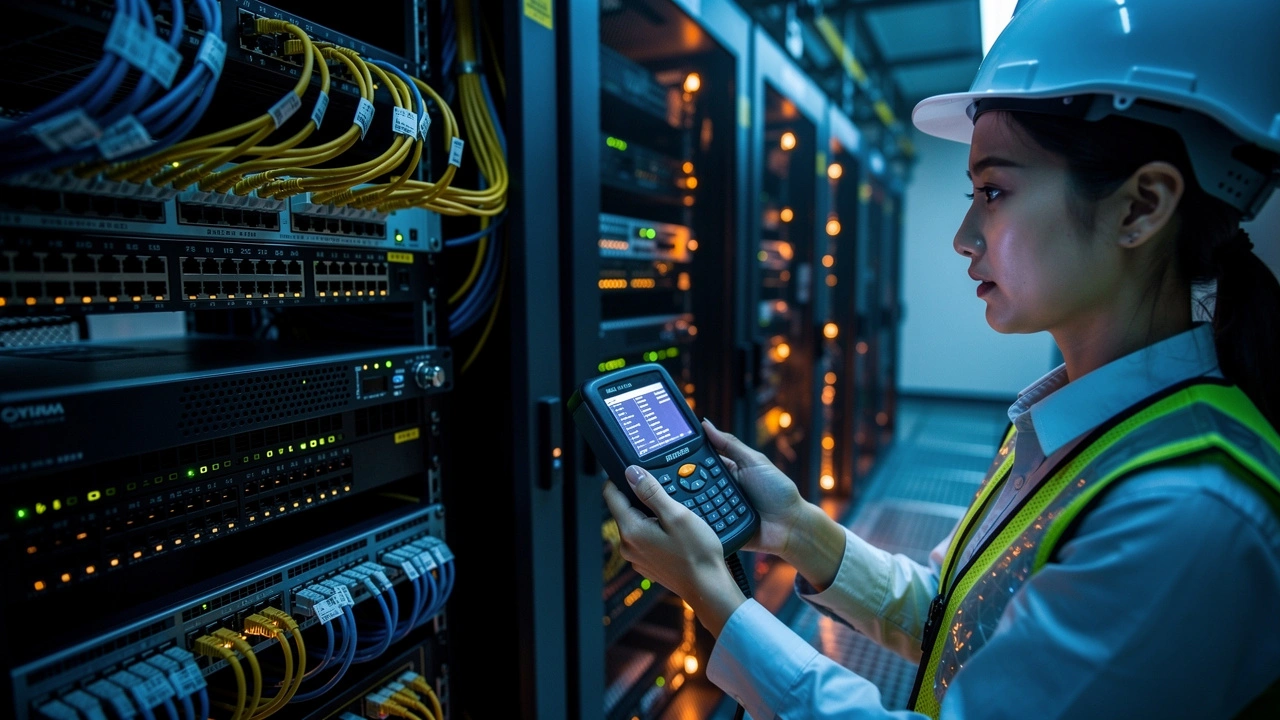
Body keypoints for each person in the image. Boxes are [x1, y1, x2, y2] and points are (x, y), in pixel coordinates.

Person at [601, 0, 1280, 717]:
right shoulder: (1083, 427)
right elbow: (955, 620)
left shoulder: (1186, 512)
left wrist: (714, 595)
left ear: (1142, 207)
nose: (963, 235)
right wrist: (795, 526)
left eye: (994, 191)